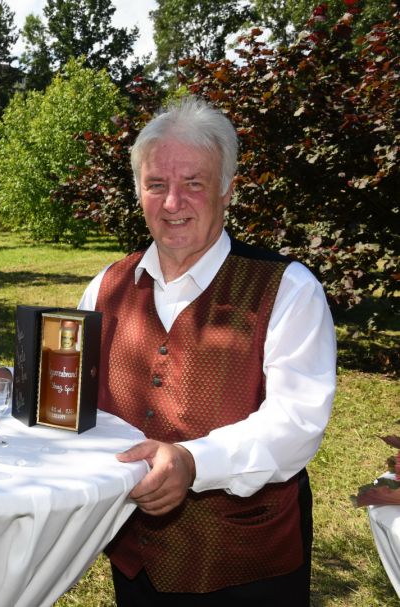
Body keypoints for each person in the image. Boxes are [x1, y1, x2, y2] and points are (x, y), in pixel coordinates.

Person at [77, 97, 336, 605]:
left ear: (226, 190)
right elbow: (71, 394)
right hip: (135, 559)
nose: (173, 203)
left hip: (247, 565)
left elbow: (296, 423)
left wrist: (193, 461)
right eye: (156, 184)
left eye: (193, 183)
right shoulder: (107, 286)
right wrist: (10, 382)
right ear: (139, 192)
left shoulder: (287, 288)